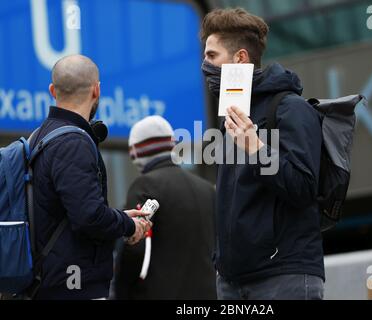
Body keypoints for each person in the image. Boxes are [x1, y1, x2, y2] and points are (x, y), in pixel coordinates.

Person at [200, 8, 325, 300]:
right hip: (232, 281)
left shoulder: (290, 108)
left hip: (284, 275)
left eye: (212, 56)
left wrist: (256, 148)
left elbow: (304, 187)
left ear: (240, 58)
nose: (204, 65)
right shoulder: (230, 119)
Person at [29, 55, 151, 300]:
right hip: (73, 285)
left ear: (52, 91)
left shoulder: (38, 137)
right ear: (96, 90)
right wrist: (129, 226)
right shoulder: (73, 142)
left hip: (45, 280)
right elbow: (88, 216)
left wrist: (117, 217)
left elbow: (67, 209)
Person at [114, 116, 217, 299]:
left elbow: (135, 245)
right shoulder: (207, 189)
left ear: (135, 151)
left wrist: (122, 291)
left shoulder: (145, 186)